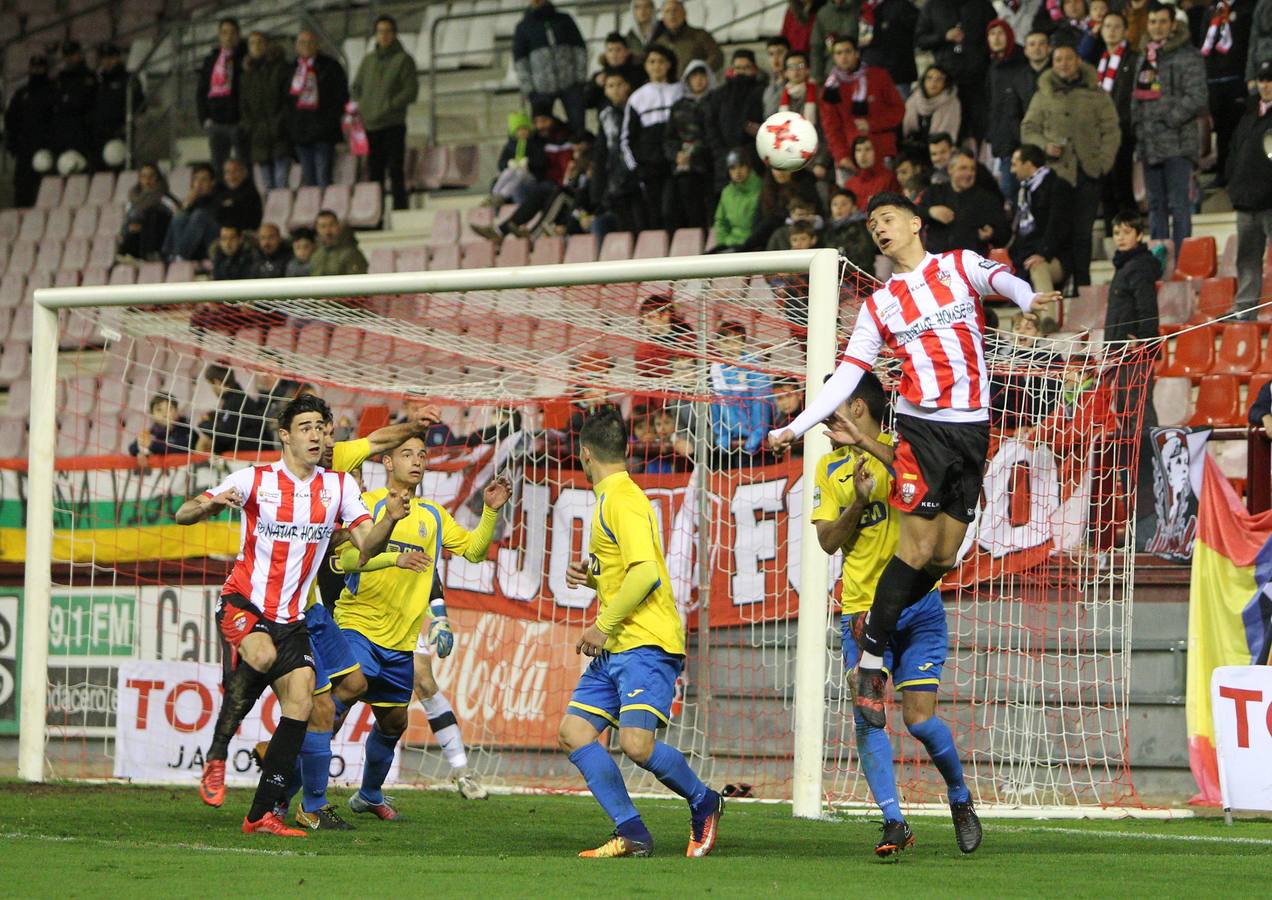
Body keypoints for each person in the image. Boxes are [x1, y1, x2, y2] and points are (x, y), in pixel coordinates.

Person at [767, 191, 1058, 733]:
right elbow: (850, 372)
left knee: (944, 558)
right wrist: (797, 425)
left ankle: (880, 632)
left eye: (887, 218)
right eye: (873, 222)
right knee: (917, 545)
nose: (879, 228)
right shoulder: (880, 304)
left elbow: (1002, 280)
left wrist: (1026, 298)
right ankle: (872, 660)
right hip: (922, 430)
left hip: (973, 430)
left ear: (915, 223)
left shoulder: (958, 265)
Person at [176, 393, 406, 836]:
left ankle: (262, 813)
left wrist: (390, 519)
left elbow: (367, 546)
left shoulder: (339, 487)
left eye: (321, 426)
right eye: (306, 427)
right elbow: (183, 511)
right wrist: (203, 506)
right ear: (285, 436)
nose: (317, 434)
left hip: (295, 617)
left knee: (302, 703)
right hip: (245, 601)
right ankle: (218, 753)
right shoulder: (255, 479)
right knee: (260, 656)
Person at [813, 371, 979, 858]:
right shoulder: (829, 470)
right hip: (863, 613)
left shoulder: (908, 452)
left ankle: (960, 798)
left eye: (833, 402)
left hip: (918, 607)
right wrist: (859, 500)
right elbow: (826, 542)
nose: (825, 411)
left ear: (858, 409)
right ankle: (893, 821)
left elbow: (928, 493)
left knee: (921, 721)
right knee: (868, 717)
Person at [560, 410, 724, 858]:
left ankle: (704, 801)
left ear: (584, 453)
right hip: (619, 645)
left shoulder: (621, 499)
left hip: (644, 641)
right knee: (575, 730)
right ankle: (632, 832)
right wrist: (593, 581)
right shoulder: (616, 497)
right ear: (627, 451)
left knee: (636, 744)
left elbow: (648, 574)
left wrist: (601, 623)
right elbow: (630, 571)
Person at [335, 438, 512, 821]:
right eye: (406, 454)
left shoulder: (432, 515)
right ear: (386, 461)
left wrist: (489, 513)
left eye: (421, 454)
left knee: (395, 721)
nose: (416, 461)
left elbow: (475, 551)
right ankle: (298, 790)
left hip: (400, 638)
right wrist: (395, 559)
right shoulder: (365, 505)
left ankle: (368, 794)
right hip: (358, 623)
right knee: (351, 686)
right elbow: (346, 558)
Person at [1019, 42, 1120, 288]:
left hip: (1088, 172)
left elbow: (1111, 130)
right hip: (1056, 176)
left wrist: (1102, 162)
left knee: (1083, 233)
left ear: (1078, 61)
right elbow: (1028, 130)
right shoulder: (1043, 95)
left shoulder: (1096, 93)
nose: (1064, 63)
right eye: (1058, 59)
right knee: (1059, 232)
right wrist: (1045, 145)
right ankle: (1061, 284)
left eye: (1068, 58)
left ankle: (1083, 288)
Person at [1131, 3, 1207, 250]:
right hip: (1149, 144)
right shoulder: (1145, 55)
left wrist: (1168, 120)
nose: (1157, 27)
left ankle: (1183, 261)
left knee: (1178, 204)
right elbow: (1136, 98)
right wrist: (1139, 127)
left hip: (1177, 143)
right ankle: (1160, 261)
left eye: (1162, 22)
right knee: (1155, 205)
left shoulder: (1188, 55)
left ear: (1173, 24)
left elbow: (1197, 96)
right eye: (1153, 22)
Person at [352, 15, 419, 211]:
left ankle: (400, 210)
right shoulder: (368, 60)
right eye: (380, 31)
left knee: (396, 170)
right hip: (371, 125)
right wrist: (363, 106)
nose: (384, 35)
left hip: (393, 124)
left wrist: (389, 106)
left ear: (395, 33)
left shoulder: (404, 60)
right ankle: (376, 214)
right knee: (374, 173)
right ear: (375, 34)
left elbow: (410, 91)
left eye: (388, 31)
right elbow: (356, 87)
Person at [915, 0, 997, 141]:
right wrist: (944, 37)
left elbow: (993, 32)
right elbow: (920, 40)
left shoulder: (982, 5)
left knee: (980, 127)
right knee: (951, 131)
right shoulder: (932, 6)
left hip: (978, 77)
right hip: (946, 80)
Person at [621, 44, 682, 231]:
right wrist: (636, 167)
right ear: (646, 66)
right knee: (656, 215)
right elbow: (626, 139)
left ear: (669, 64)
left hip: (677, 165)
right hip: (650, 169)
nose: (657, 66)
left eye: (661, 61)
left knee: (673, 212)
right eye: (652, 62)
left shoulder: (680, 91)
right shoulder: (637, 98)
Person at [819, 36, 906, 167]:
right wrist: (841, 156)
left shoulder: (879, 76)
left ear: (857, 53)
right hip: (851, 155)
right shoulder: (830, 88)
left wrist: (872, 124)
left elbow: (898, 110)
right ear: (834, 57)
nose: (843, 57)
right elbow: (831, 128)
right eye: (838, 53)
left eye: (847, 51)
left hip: (883, 150)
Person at [1228, 60, 1272, 317]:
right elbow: (1234, 151)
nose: (1266, 85)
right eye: (1263, 80)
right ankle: (1245, 308)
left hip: (1269, 201)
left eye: (1270, 80)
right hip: (1246, 199)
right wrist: (1233, 183)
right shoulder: (1249, 115)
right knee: (1247, 259)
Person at [1008, 143, 1074, 304]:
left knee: (1037, 267)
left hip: (1055, 256)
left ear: (1028, 164)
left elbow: (1058, 225)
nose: (1012, 170)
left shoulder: (1058, 186)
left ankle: (1048, 322)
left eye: (1015, 164)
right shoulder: (1023, 191)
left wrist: (1044, 253)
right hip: (1025, 255)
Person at [514, 0, 589, 133]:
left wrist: (579, 78)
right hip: (541, 89)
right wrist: (530, 90)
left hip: (571, 84)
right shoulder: (523, 27)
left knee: (578, 125)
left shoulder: (564, 19)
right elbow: (520, 61)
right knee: (543, 130)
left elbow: (579, 49)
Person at [286, 30, 349, 188]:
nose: (306, 46)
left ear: (317, 44)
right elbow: (286, 101)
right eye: (302, 42)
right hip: (300, 134)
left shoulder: (331, 66)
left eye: (310, 42)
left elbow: (341, 97)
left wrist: (328, 121)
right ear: (296, 46)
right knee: (309, 181)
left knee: (323, 178)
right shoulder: (290, 69)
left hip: (324, 134)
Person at [1201, 0, 1255, 184]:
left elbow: (1250, 44)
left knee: (1240, 129)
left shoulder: (1247, 8)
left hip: (1237, 78)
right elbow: (1202, 44)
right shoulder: (1211, 11)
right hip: (1214, 80)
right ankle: (1223, 172)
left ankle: (1242, 173)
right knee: (1221, 130)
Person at [986, 19, 1038, 200]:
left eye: (1000, 33)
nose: (996, 38)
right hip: (1002, 141)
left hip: (1021, 140)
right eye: (992, 34)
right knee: (1008, 193)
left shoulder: (1023, 65)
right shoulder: (991, 66)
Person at [920, 150, 1010, 255]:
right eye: (963, 168)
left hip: (972, 266)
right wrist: (930, 212)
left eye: (972, 169)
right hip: (938, 262)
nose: (969, 173)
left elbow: (1004, 234)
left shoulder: (987, 199)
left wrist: (992, 234)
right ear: (950, 169)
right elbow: (912, 215)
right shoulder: (934, 192)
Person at [1096, 12, 1140, 226]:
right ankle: (1110, 232)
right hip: (1101, 135)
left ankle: (1130, 231)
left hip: (1123, 130)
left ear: (1124, 31)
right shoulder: (1100, 61)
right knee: (1105, 187)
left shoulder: (1133, 59)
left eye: (1116, 27)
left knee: (1121, 184)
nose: (1111, 31)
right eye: (1107, 26)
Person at [663, 59, 716, 230]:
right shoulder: (678, 106)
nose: (699, 80)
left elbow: (714, 135)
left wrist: (695, 152)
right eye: (694, 76)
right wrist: (676, 154)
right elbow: (669, 138)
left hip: (710, 167)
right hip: (685, 170)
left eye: (703, 75)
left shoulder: (716, 102)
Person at [703, 49, 764, 192]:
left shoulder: (762, 92)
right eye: (738, 68)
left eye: (746, 68)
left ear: (754, 69)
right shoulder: (719, 95)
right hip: (724, 160)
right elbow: (711, 126)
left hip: (754, 160)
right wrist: (720, 152)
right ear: (731, 70)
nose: (741, 72)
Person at [242, 31, 293, 191]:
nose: (256, 46)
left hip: (280, 135)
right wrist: (251, 127)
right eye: (252, 43)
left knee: (281, 182)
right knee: (267, 185)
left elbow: (288, 101)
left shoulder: (282, 69)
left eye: (259, 42)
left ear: (267, 45)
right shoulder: (246, 75)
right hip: (259, 137)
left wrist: (280, 124)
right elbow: (244, 106)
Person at [592, 71, 643, 232]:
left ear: (627, 86)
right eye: (610, 86)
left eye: (619, 85)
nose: (615, 90)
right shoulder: (606, 117)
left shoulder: (638, 109)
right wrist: (597, 192)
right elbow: (601, 153)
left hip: (638, 177)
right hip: (616, 182)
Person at [4, 55, 56, 207]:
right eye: (34, 67)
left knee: (44, 187)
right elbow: (11, 120)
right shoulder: (22, 93)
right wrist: (13, 144)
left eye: (40, 68)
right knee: (22, 188)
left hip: (45, 148)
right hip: (24, 149)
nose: (37, 71)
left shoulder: (53, 91)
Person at [198, 18, 249, 172]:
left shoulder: (245, 59)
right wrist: (205, 118)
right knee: (218, 167)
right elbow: (201, 91)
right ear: (219, 36)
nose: (228, 37)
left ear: (239, 35)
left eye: (232, 33)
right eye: (224, 33)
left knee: (243, 166)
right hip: (216, 122)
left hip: (238, 121)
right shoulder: (211, 60)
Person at [1103, 210, 1161, 342]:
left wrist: (1143, 343)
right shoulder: (1123, 264)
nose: (1120, 238)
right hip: (1119, 344)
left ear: (1139, 235)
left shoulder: (1140, 266)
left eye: (1127, 232)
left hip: (1133, 350)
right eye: (1117, 233)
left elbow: (1147, 308)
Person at [195, 363, 273, 453]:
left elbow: (225, 435)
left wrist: (203, 424)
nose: (212, 389)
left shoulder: (236, 401)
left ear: (217, 382)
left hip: (256, 456)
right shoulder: (235, 398)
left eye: (211, 385)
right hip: (253, 453)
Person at [90, 43, 141, 171]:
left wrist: (125, 126)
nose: (107, 61)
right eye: (104, 58)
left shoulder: (128, 79)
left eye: (110, 57)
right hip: (99, 135)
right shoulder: (99, 81)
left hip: (119, 133)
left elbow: (138, 104)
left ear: (118, 58)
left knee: (120, 168)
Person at [51, 40, 98, 167]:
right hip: (62, 132)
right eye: (66, 55)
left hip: (82, 132)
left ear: (80, 55)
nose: (69, 58)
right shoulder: (61, 78)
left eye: (72, 54)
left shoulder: (89, 77)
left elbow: (89, 103)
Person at [161, 163, 220, 262]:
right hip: (193, 246)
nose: (199, 183)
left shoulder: (219, 197)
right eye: (196, 179)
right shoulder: (192, 199)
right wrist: (187, 204)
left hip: (213, 241)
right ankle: (171, 255)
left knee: (199, 214)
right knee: (179, 216)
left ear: (212, 182)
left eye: (204, 179)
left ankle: (180, 256)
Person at [860, 0, 921, 94]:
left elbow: (919, 31)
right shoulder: (862, 7)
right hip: (870, 73)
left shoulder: (902, 5)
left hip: (897, 75)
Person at [118, 162, 177, 260]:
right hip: (138, 237)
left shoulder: (164, 197)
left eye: (151, 176)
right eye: (143, 176)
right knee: (134, 217)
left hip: (161, 237)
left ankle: (149, 255)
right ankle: (128, 253)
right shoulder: (133, 199)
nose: (147, 180)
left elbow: (176, 216)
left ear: (157, 178)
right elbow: (126, 224)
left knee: (151, 214)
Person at [651, 0, 723, 75]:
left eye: (675, 10)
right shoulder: (660, 43)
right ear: (663, 17)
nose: (672, 15)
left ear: (684, 14)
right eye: (667, 11)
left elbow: (717, 57)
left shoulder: (701, 35)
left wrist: (698, 72)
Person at [711, 149, 764, 251]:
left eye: (741, 166)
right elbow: (720, 221)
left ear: (749, 167)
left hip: (753, 245)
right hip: (730, 244)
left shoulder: (761, 188)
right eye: (732, 168)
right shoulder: (727, 192)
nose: (737, 172)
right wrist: (723, 242)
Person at [902, 65, 961, 152]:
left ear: (945, 83)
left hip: (941, 152)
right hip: (913, 149)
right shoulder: (913, 99)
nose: (933, 83)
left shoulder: (952, 103)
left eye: (939, 79)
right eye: (929, 78)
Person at [586, 31, 647, 110]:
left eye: (618, 50)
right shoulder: (599, 76)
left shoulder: (639, 72)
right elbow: (587, 103)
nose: (614, 54)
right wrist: (595, 85)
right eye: (610, 50)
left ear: (627, 52)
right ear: (605, 53)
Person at [824, 187, 877, 271]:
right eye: (834, 204)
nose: (839, 208)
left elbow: (865, 257)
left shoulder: (862, 227)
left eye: (844, 204)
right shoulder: (826, 230)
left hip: (859, 277)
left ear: (853, 207)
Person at [128, 394, 195, 460]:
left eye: (169, 408)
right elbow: (132, 449)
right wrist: (141, 447)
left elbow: (182, 448)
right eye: (159, 409)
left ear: (177, 411)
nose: (164, 413)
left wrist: (152, 445)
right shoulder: (152, 432)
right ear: (152, 414)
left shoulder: (186, 429)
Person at [844, 136, 901, 208]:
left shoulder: (890, 178)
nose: (862, 155)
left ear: (877, 151)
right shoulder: (850, 184)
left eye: (868, 149)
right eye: (858, 150)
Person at [309, 210, 368, 276]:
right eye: (323, 226)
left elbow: (357, 282)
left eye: (331, 225)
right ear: (317, 229)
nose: (328, 231)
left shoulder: (351, 253)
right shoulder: (316, 254)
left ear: (338, 226)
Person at [215, 157, 264, 230]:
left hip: (243, 231)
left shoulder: (250, 191)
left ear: (244, 173)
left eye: (235, 171)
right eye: (227, 172)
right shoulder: (221, 190)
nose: (231, 175)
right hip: (222, 231)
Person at [762, 36, 791, 117]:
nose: (775, 58)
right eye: (771, 54)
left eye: (780, 52)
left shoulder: (797, 81)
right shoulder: (767, 83)